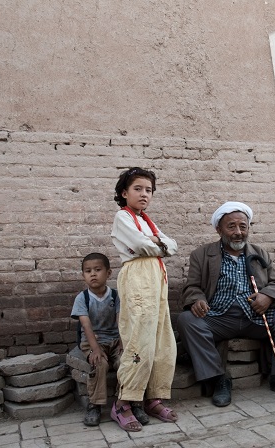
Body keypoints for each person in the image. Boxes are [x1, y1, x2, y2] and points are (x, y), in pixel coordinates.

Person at [178, 201, 275, 407]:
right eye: (231, 226)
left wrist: (267, 296)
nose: (238, 232)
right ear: (219, 229)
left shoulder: (260, 253)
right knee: (187, 320)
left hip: (257, 316)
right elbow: (191, 287)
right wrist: (197, 299)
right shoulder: (201, 255)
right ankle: (219, 380)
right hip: (219, 317)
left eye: (243, 226)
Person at [110, 167, 178, 432]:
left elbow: (172, 246)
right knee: (140, 339)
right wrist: (157, 243)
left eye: (148, 190)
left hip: (157, 279)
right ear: (124, 193)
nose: (144, 194)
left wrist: (157, 240)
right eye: (137, 189)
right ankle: (123, 403)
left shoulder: (148, 221)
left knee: (162, 341)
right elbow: (142, 247)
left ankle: (153, 398)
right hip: (138, 279)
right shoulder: (122, 217)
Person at [70, 252, 122, 426]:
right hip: (93, 341)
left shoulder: (115, 296)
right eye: (88, 271)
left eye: (98, 270)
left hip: (115, 340)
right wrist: (96, 349)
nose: (92, 274)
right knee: (99, 364)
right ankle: (95, 405)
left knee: (128, 362)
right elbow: (86, 326)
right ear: (83, 275)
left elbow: (121, 322)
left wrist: (123, 344)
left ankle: (128, 402)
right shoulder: (82, 298)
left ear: (108, 273)